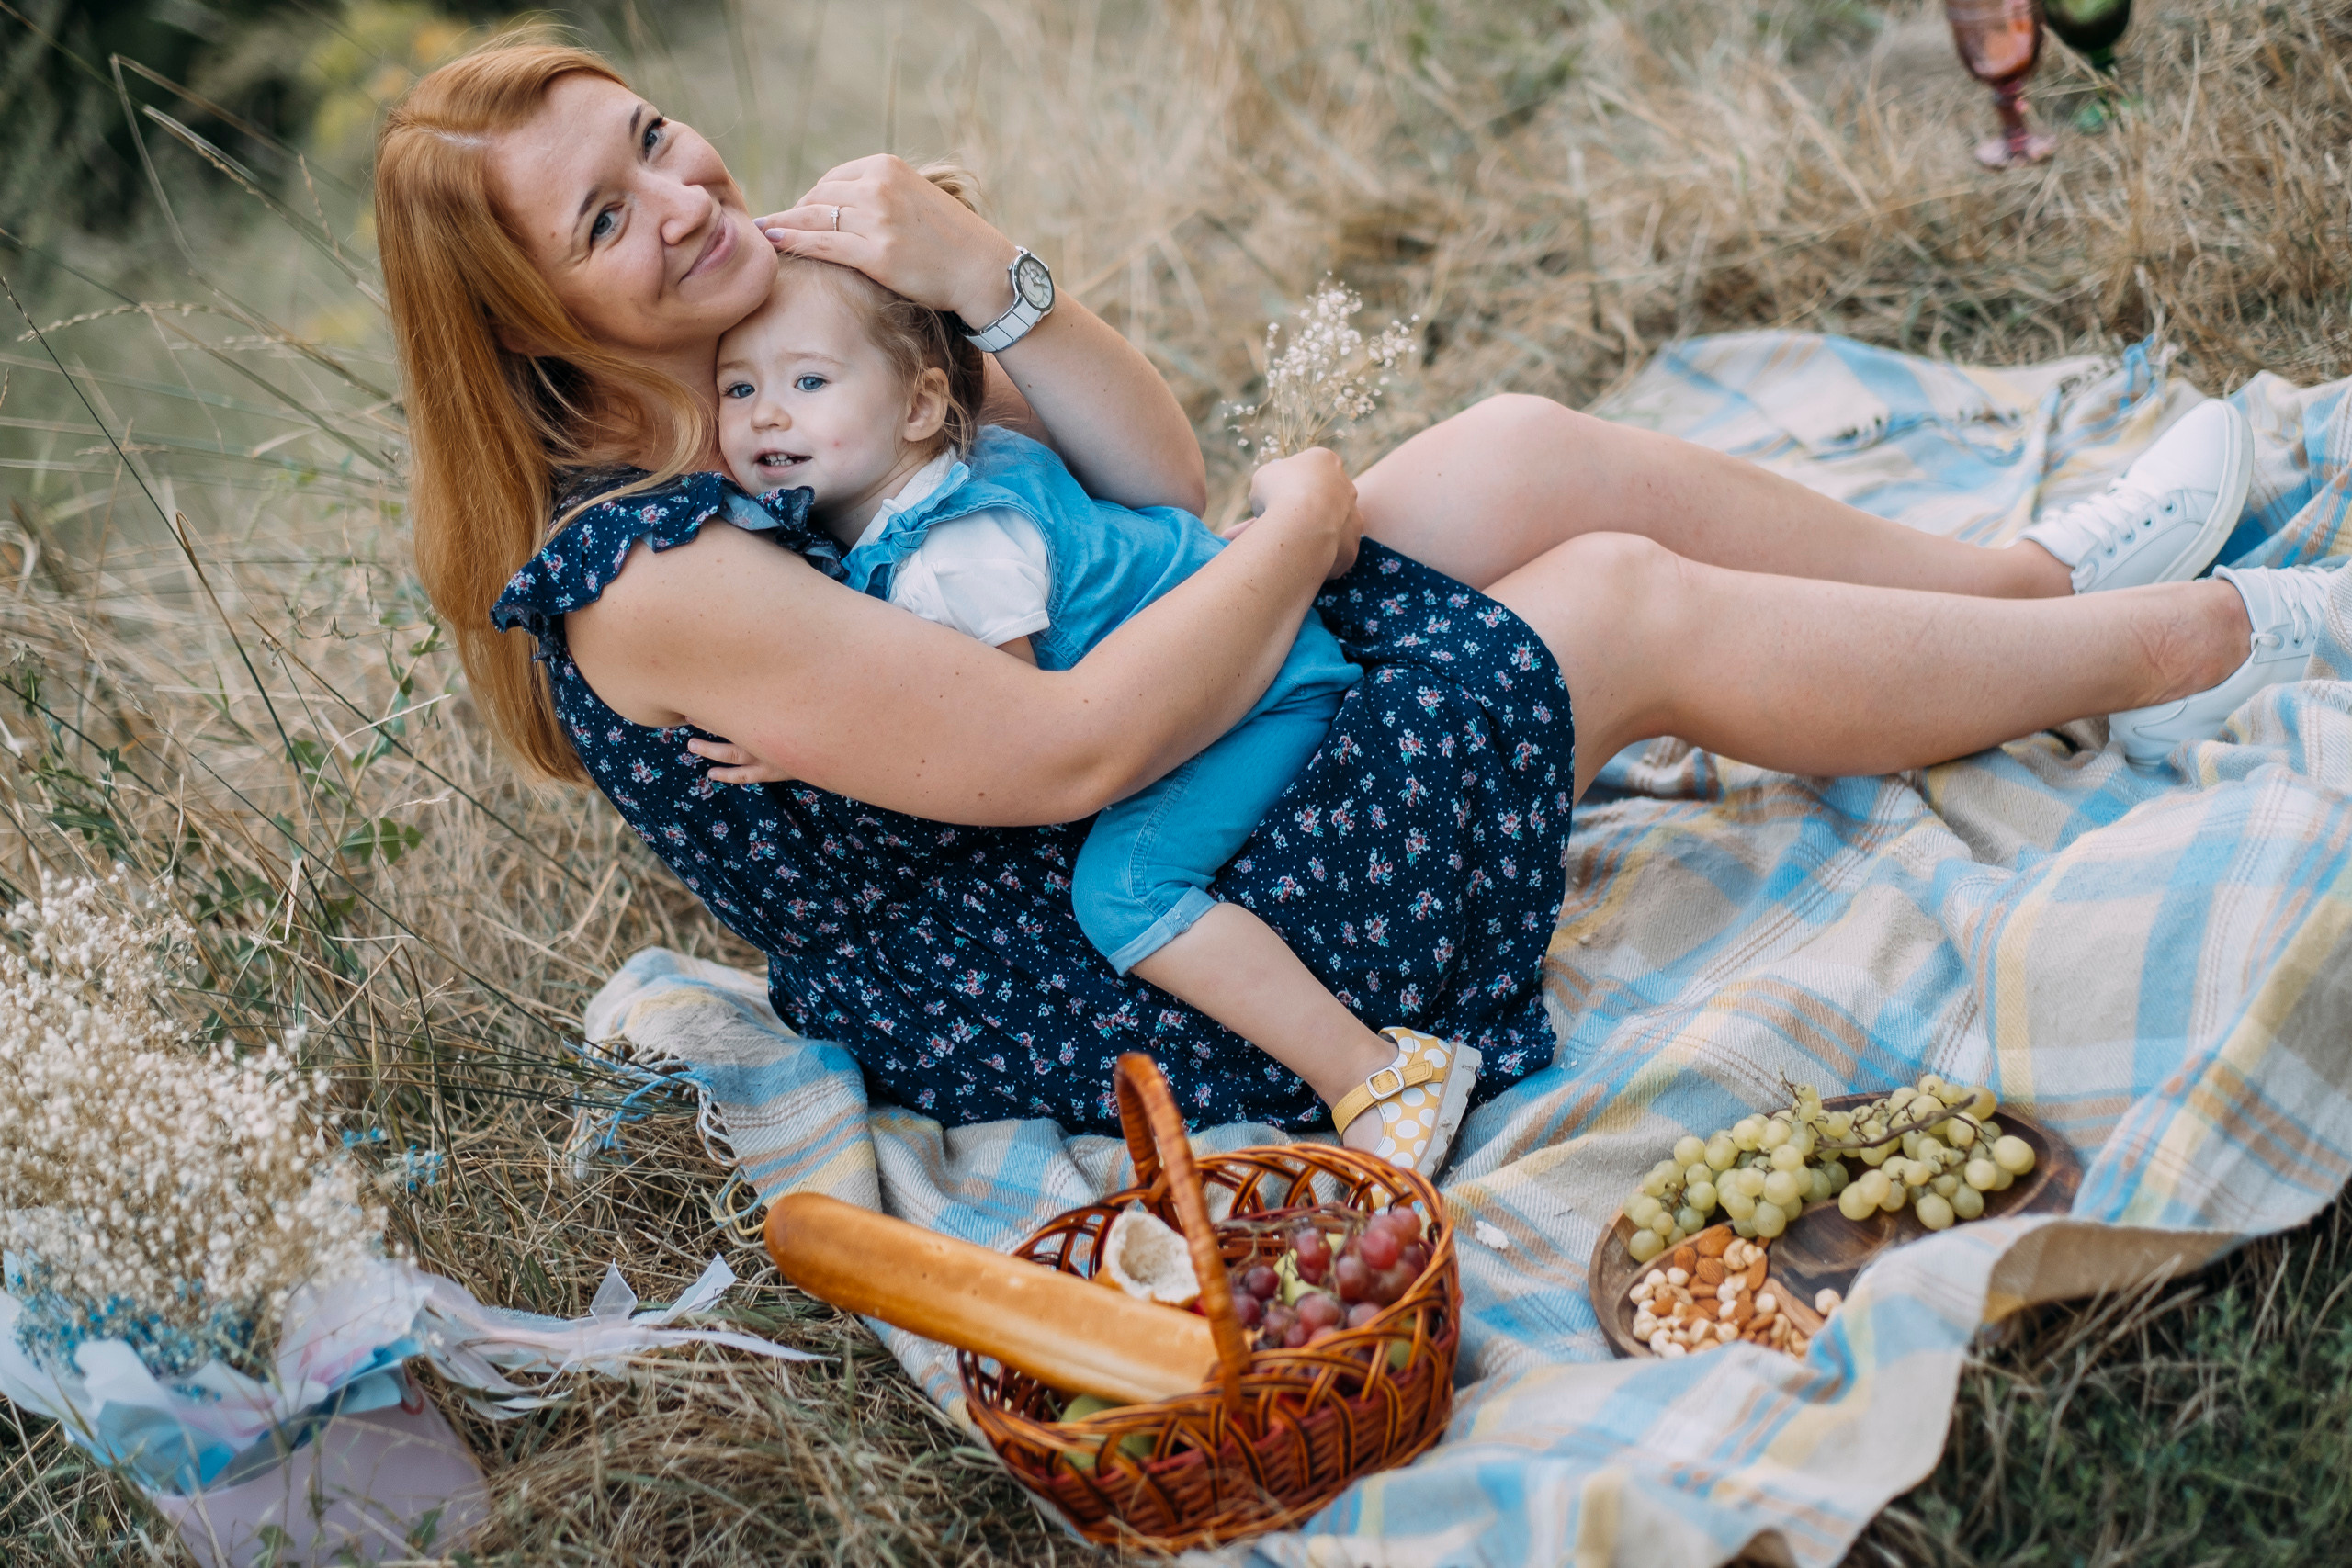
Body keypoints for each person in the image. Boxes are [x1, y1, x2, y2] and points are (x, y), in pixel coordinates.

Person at [378, 39, 2338, 1143]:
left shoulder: (778, 331)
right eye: (609, 221)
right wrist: (1299, 541)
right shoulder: (647, 576)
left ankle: (1999, 581)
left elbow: (1146, 484)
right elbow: (1067, 750)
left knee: (1514, 453)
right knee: (1605, 604)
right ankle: (2181, 645)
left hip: (1152, 738)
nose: (687, 200)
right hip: (1106, 945)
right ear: (531, 326)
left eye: (650, 135)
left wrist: (986, 277)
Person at [693, 249, 1479, 1170]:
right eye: (738, 389)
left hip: (1258, 694)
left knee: (1121, 893)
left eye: (809, 381)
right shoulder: (952, 473)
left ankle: (1375, 1072)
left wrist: (822, 746)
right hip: (1233, 662)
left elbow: (990, 733)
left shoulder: (950, 553)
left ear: (916, 406)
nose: (768, 414)